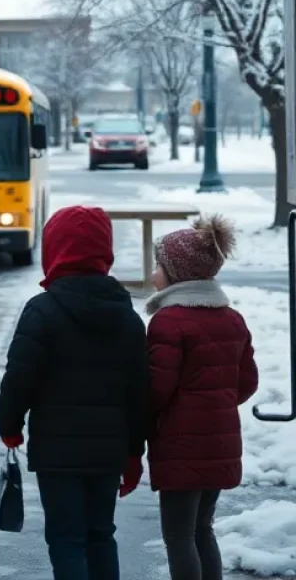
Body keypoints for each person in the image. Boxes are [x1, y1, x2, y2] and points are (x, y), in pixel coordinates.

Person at [0, 206, 148, 580]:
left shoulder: (42, 311)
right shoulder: (127, 317)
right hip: (108, 453)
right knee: (100, 534)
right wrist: (133, 452)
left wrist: (10, 424)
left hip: (56, 453)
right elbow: (140, 393)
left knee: (66, 538)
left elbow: (20, 377)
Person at [147, 215, 258, 580]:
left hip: (181, 447)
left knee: (178, 536)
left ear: (178, 273)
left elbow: (157, 389)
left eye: (158, 264)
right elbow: (246, 382)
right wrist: (216, 403)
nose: (153, 272)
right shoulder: (232, 319)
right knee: (202, 530)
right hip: (220, 444)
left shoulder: (168, 321)